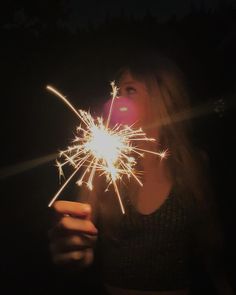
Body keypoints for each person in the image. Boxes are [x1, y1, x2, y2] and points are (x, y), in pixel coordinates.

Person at [48, 52, 233, 295]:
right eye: (116, 91)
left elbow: (211, 243)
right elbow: (78, 233)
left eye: (130, 90)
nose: (114, 101)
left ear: (161, 97)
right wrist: (73, 249)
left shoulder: (195, 163)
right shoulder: (101, 166)